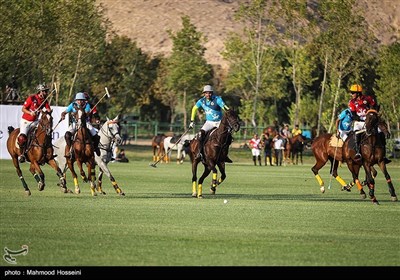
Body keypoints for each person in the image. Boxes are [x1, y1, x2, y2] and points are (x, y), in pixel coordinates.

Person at [348, 84, 391, 163]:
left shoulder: (368, 98)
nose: (351, 94)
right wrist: (361, 119)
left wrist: (371, 116)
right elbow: (354, 114)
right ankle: (358, 152)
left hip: (370, 120)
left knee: (380, 132)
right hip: (360, 121)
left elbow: (375, 107)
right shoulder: (352, 102)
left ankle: (383, 154)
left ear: (358, 93)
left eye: (353, 92)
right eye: (351, 92)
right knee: (356, 133)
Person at [189, 85, 233, 162]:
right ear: (204, 93)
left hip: (219, 122)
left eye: (209, 93)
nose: (208, 94)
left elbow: (224, 107)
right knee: (200, 134)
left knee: (227, 135)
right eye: (206, 93)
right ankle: (199, 152)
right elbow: (194, 109)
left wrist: (229, 111)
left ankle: (225, 155)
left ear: (212, 93)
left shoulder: (217, 99)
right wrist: (192, 121)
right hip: (209, 122)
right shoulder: (201, 101)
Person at [17, 84, 52, 163]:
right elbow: (23, 109)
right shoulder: (32, 98)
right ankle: (21, 154)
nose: (46, 93)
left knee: (43, 133)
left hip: (35, 121)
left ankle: (45, 151)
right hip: (26, 121)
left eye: (46, 91)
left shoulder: (45, 100)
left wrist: (47, 111)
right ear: (40, 91)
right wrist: (30, 113)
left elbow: (48, 109)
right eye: (45, 91)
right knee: (22, 138)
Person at [61, 92, 101, 158]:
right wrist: (63, 115)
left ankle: (96, 148)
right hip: (75, 123)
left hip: (85, 123)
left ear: (84, 100)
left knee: (96, 136)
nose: (79, 101)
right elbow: (65, 111)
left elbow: (87, 112)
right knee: (67, 135)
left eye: (81, 100)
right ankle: (69, 149)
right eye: (78, 100)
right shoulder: (72, 105)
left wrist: (79, 112)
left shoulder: (87, 105)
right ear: (76, 100)